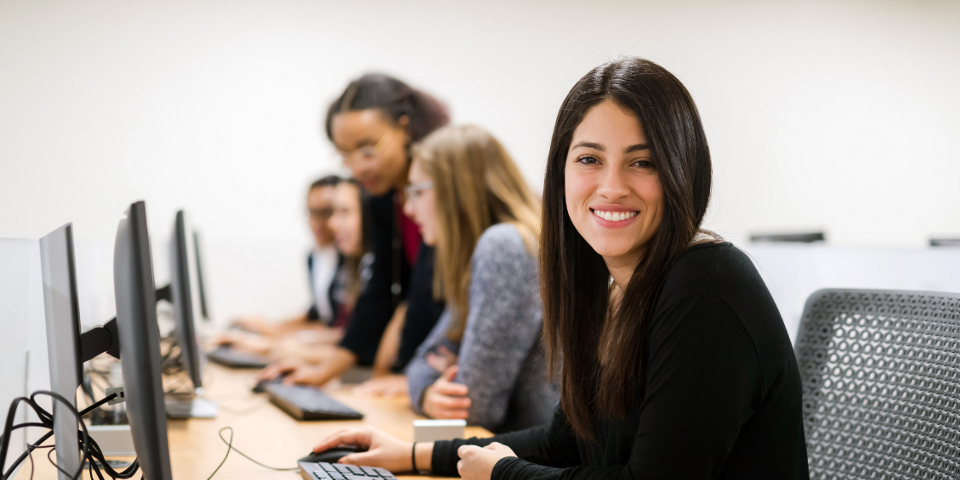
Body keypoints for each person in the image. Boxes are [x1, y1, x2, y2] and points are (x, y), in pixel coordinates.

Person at [309, 58, 809, 479]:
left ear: (684, 170)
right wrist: (412, 454)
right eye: (589, 159)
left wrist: (504, 473)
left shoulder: (708, 285)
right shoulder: (612, 289)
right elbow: (563, 443)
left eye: (644, 162)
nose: (611, 187)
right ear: (561, 172)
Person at [258, 74, 448, 387]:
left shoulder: (441, 194)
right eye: (345, 154)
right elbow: (380, 293)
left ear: (405, 128)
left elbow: (441, 304)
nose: (358, 167)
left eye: (367, 148)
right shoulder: (382, 197)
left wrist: (410, 381)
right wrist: (323, 373)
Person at [401, 125, 558, 433]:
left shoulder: (506, 246)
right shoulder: (496, 248)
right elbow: (421, 361)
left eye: (417, 192)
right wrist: (426, 392)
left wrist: (431, 387)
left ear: (455, 190)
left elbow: (474, 407)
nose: (408, 209)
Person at [223, 176, 346, 353]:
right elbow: (317, 314)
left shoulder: (351, 261)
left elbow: (340, 328)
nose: (316, 222)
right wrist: (268, 327)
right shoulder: (314, 256)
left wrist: (274, 339)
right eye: (311, 212)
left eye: (325, 212)